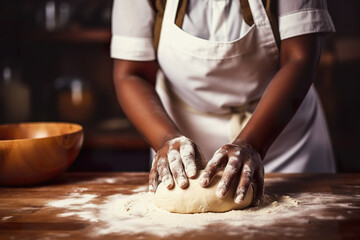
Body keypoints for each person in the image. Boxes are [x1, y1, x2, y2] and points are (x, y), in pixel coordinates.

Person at [110, 0, 336, 206]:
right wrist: (166, 139)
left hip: (281, 133)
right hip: (179, 131)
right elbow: (131, 73)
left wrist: (252, 144)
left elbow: (299, 58)